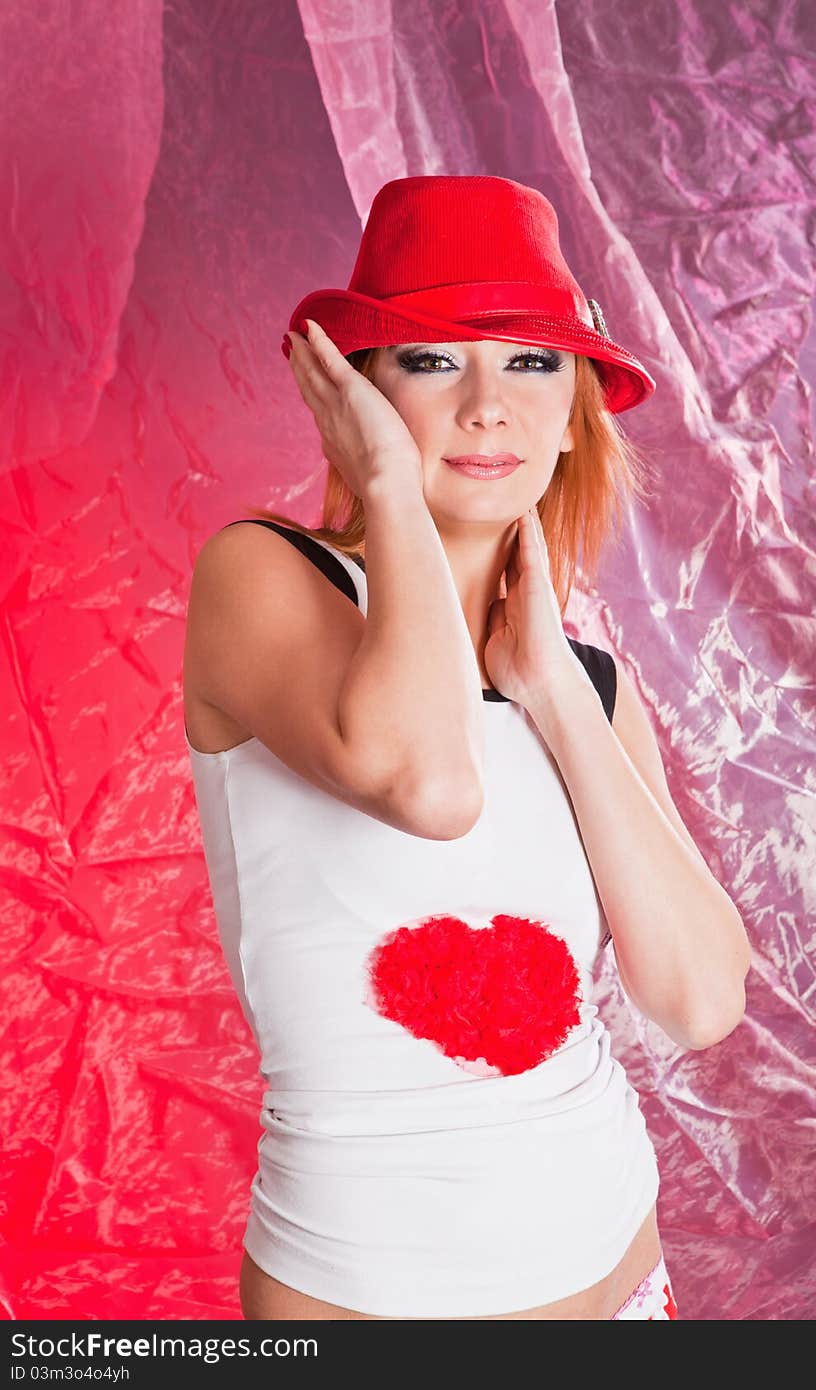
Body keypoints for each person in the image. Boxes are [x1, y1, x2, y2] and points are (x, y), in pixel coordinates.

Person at [183, 174, 751, 1321]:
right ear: (361, 391)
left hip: (628, 1289)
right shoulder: (261, 575)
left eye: (531, 361)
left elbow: (697, 1003)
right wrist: (386, 481)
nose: (488, 405)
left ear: (576, 404)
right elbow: (430, 785)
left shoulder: (585, 680)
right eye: (433, 359)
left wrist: (552, 689)